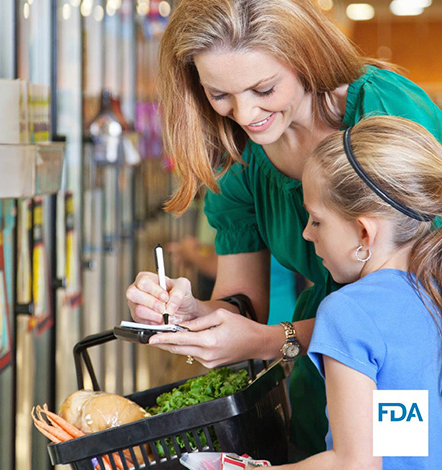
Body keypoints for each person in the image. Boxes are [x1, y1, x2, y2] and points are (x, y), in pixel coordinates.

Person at [125, 0, 442, 457]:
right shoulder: (237, 150)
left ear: (304, 57)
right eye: (220, 95)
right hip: (325, 377)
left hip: (405, 379)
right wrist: (193, 312)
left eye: (264, 88)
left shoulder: (384, 108)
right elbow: (244, 305)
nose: (245, 113)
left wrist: (276, 340)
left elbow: (416, 306)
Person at [269, 115, 442, 468]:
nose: (306, 233)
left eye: (316, 220)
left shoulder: (348, 311)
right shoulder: (430, 292)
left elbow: (354, 464)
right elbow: (405, 433)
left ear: (364, 234)